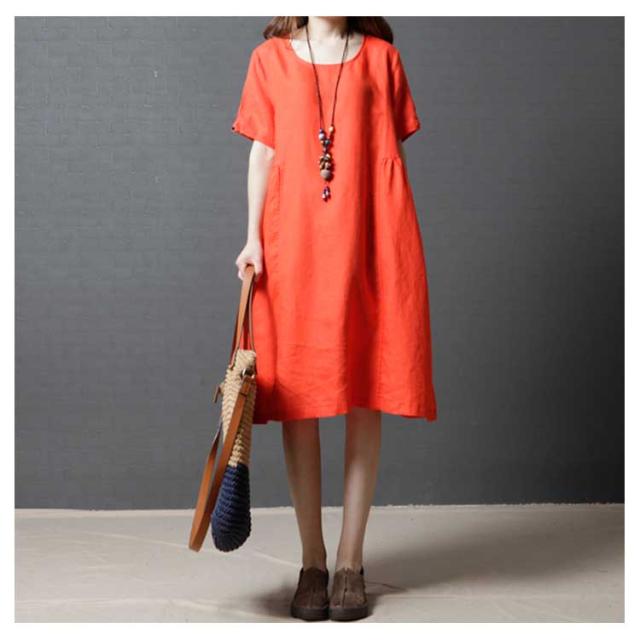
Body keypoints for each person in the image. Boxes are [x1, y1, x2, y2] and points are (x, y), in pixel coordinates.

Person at [230, 16, 437, 622]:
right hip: (292, 244)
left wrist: (393, 252)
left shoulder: (381, 60)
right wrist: (252, 239)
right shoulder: (269, 60)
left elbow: (390, 161)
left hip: (367, 241)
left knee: (367, 390)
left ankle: (350, 561)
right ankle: (312, 562)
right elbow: (262, 152)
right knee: (299, 397)